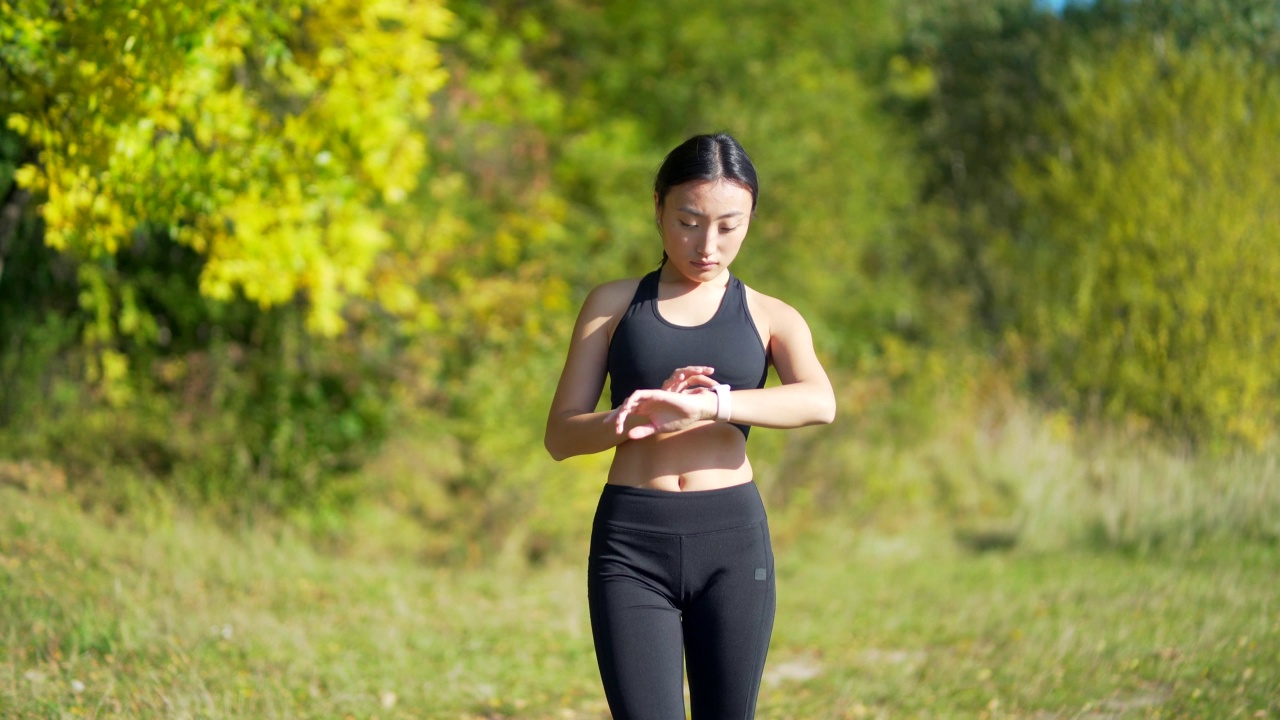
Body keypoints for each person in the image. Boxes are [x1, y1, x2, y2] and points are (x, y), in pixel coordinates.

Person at [544, 132, 836, 719]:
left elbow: (818, 401)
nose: (708, 245)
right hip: (631, 543)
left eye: (730, 226)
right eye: (688, 221)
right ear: (657, 208)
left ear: (751, 219)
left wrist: (712, 406)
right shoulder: (613, 305)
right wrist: (626, 421)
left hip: (732, 539)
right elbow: (561, 435)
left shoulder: (768, 313)